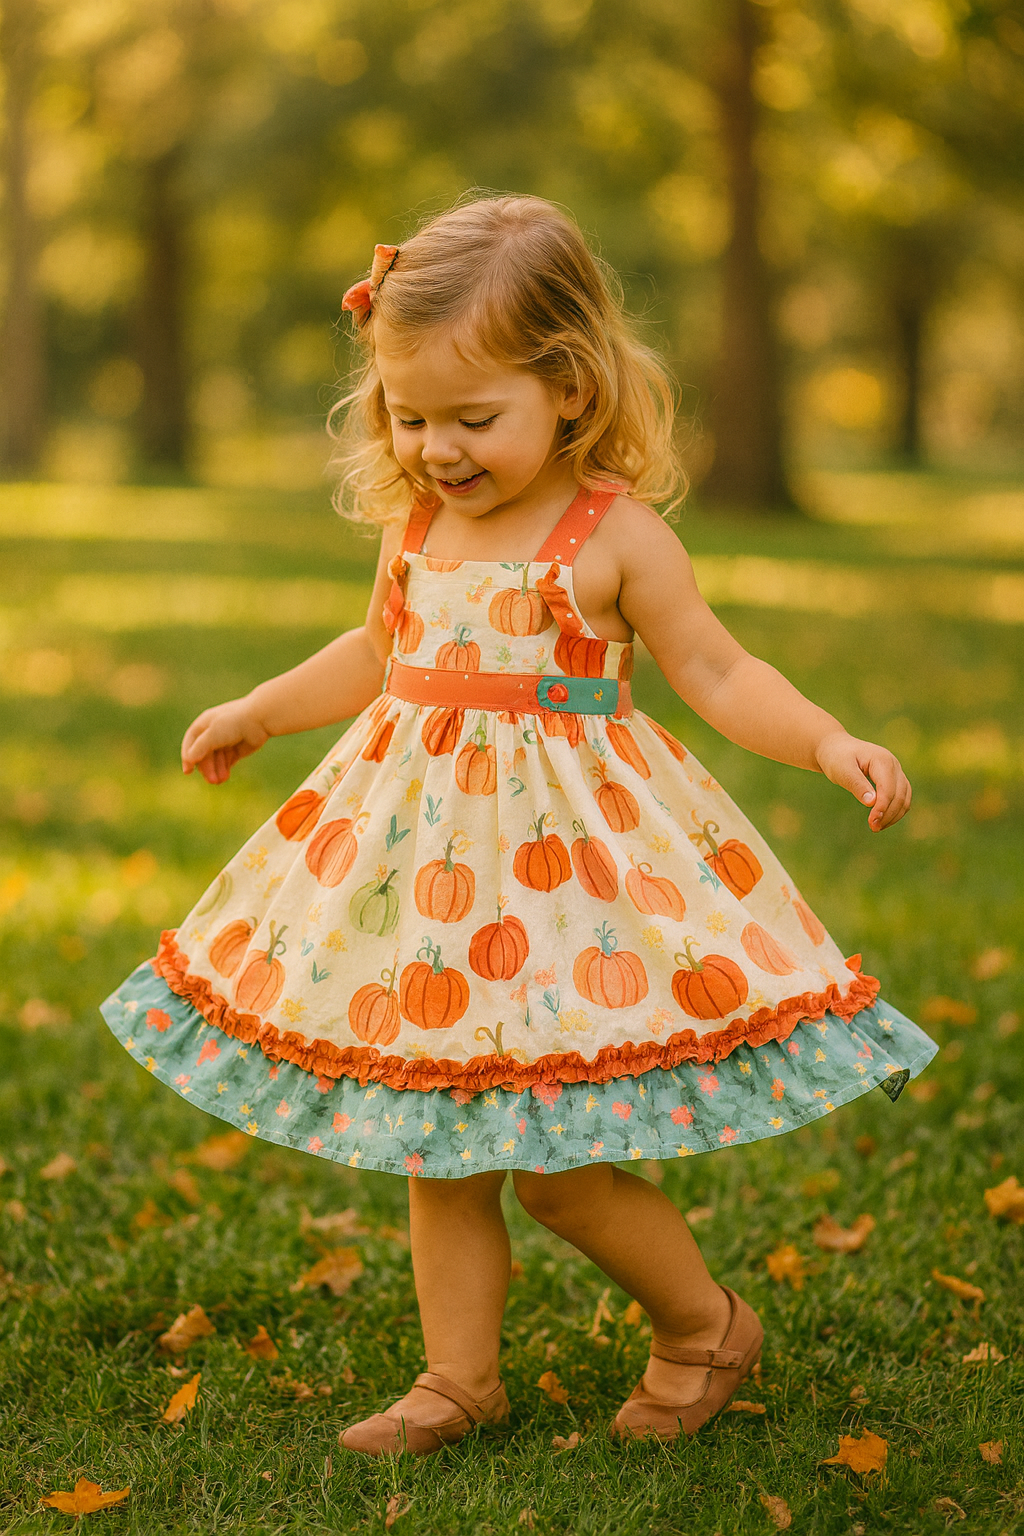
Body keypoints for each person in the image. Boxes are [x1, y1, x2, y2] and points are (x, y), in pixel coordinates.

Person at [101, 194, 937, 1455]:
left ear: (572, 390)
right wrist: (257, 712)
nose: (436, 447)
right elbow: (377, 655)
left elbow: (714, 671)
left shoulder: (616, 539)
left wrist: (826, 740)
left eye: (473, 418)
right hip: (430, 886)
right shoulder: (416, 527)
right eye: (409, 414)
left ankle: (703, 1325)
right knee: (440, 1145)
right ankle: (457, 1379)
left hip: (566, 887)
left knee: (556, 1167)